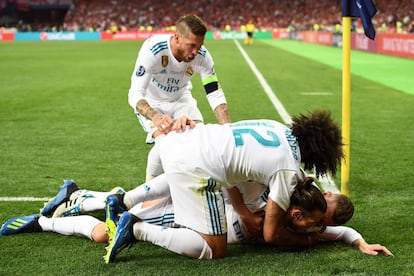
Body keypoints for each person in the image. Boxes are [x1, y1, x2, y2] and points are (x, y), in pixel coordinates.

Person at [100, 109, 345, 262]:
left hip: (182, 143)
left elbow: (233, 170)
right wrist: (310, 240)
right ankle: (137, 229)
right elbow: (271, 234)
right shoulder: (287, 168)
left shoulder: (276, 126)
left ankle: (124, 200)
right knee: (214, 248)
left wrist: (243, 212)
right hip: (194, 167)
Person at [0, 179, 393, 258]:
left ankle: (52, 215)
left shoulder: (313, 225)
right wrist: (240, 212)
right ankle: (67, 203)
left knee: (106, 230)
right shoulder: (280, 195)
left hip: (194, 217)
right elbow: (229, 182)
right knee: (114, 219)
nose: (314, 225)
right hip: (196, 212)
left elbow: (342, 232)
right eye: (316, 217)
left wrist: (361, 243)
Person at [128, 14, 231, 145]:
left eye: (199, 46)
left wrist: (228, 130)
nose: (195, 52)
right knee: (164, 142)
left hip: (181, 99)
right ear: (177, 37)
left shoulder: (203, 57)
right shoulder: (153, 50)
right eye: (191, 45)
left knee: (197, 138)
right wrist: (155, 116)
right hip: (153, 102)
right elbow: (135, 93)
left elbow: (214, 93)